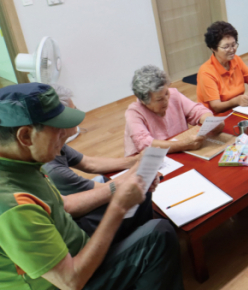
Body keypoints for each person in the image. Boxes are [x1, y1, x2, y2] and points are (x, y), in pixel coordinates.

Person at [0, 83, 183, 290]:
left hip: (74, 241)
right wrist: (118, 207)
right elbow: (70, 281)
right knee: (160, 234)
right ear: (25, 136)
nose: (65, 135)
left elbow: (63, 205)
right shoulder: (12, 206)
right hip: (68, 280)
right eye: (57, 129)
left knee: (141, 199)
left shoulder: (23, 163)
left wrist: (122, 186)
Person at [42, 85, 155, 242]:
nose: (79, 114)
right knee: (141, 192)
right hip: (82, 219)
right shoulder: (54, 169)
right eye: (74, 111)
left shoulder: (58, 145)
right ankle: (143, 240)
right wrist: (138, 170)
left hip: (85, 198)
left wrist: (134, 161)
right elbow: (103, 191)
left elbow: (90, 163)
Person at [124, 65, 220, 156]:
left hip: (180, 153)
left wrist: (211, 121)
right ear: (144, 101)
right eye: (159, 99)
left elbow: (197, 110)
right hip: (151, 160)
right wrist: (183, 144)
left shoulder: (174, 95)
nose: (166, 100)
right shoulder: (134, 113)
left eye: (166, 93)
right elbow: (145, 144)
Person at [197, 21, 248, 114]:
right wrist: (236, 101)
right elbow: (216, 106)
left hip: (239, 111)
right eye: (226, 47)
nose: (232, 50)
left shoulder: (236, 60)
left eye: (234, 44)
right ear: (213, 48)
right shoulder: (206, 71)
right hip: (217, 118)